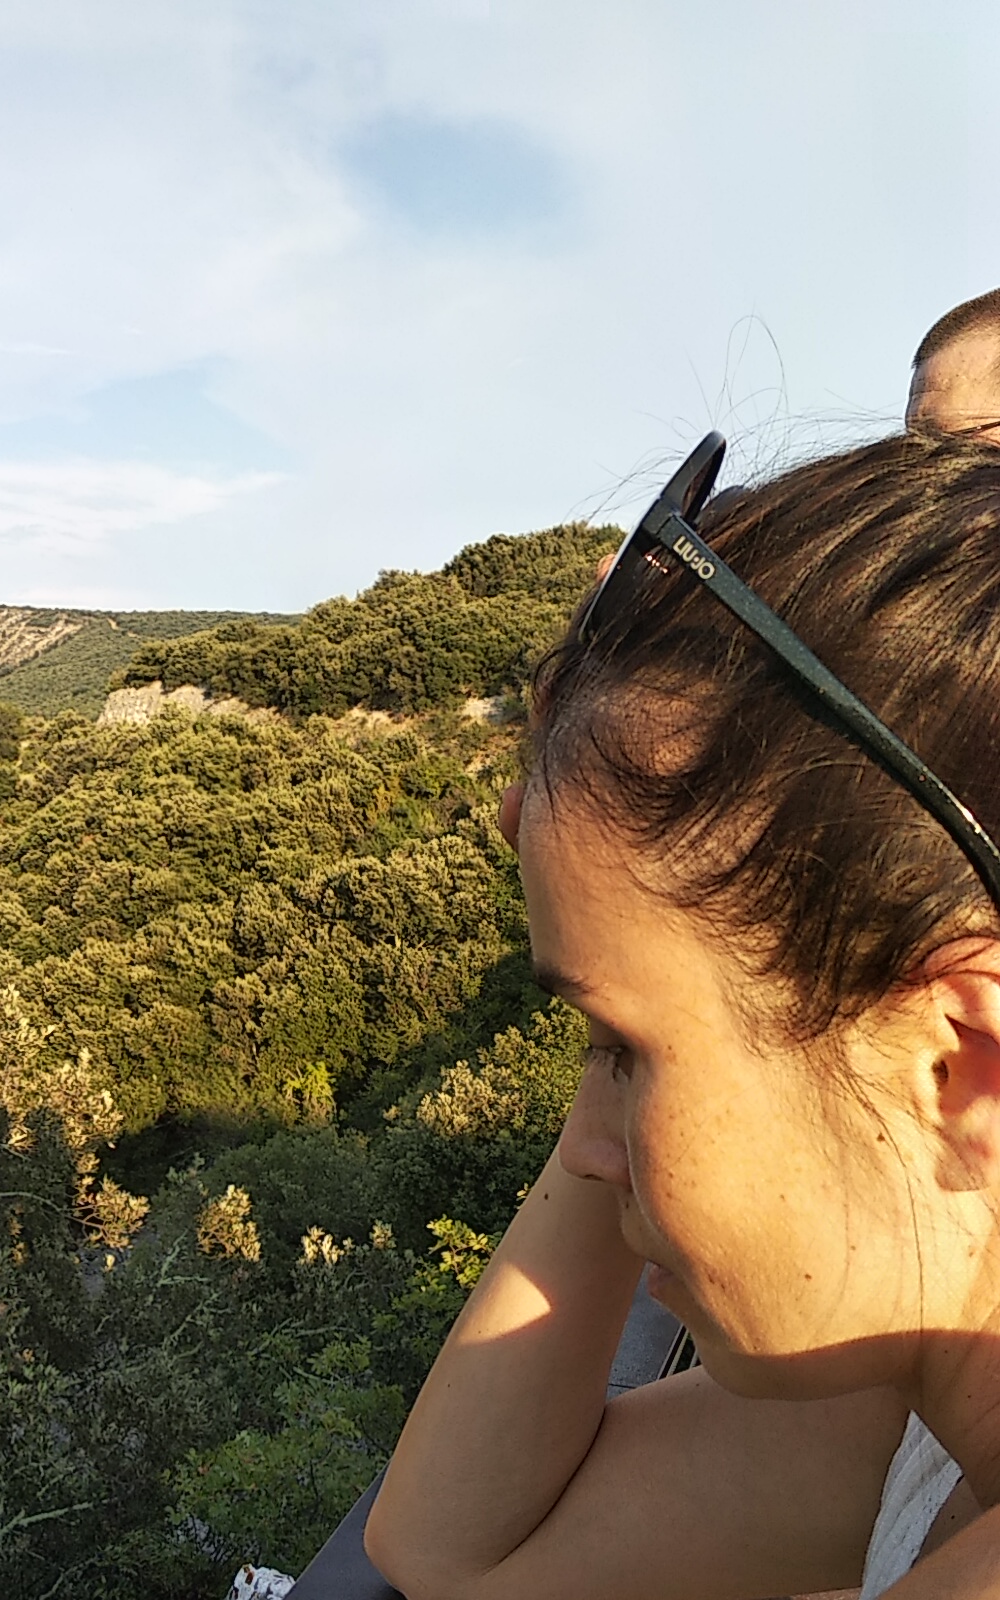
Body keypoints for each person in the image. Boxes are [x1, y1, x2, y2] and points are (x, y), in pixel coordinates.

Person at [367, 288, 1000, 1598]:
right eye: (933, 461)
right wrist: (629, 914)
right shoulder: (922, 1378)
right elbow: (450, 1553)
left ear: (963, 1062)